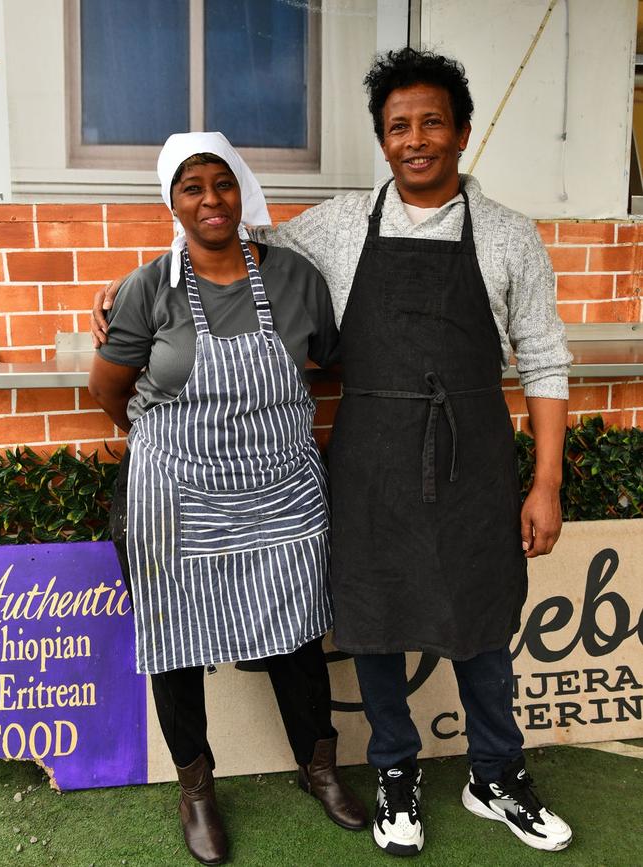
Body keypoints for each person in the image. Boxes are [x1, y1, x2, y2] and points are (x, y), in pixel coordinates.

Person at [92, 50, 574, 857]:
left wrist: (547, 480)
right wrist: (127, 283)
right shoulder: (342, 224)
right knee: (376, 623)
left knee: (484, 622)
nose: (414, 140)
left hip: (473, 458)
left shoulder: (510, 235)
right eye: (397, 127)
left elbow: (547, 358)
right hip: (371, 457)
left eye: (430, 123)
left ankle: (496, 772)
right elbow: (229, 238)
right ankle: (394, 770)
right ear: (382, 140)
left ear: (461, 131)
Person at [88, 131, 366, 867]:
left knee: (297, 631)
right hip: (178, 488)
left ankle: (320, 768)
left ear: (241, 188)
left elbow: (330, 363)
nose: (210, 199)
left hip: (280, 485)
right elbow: (110, 389)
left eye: (222, 182)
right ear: (171, 201)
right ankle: (198, 789)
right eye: (191, 187)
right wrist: (170, 446)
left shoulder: (299, 278)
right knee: (174, 641)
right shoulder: (149, 287)